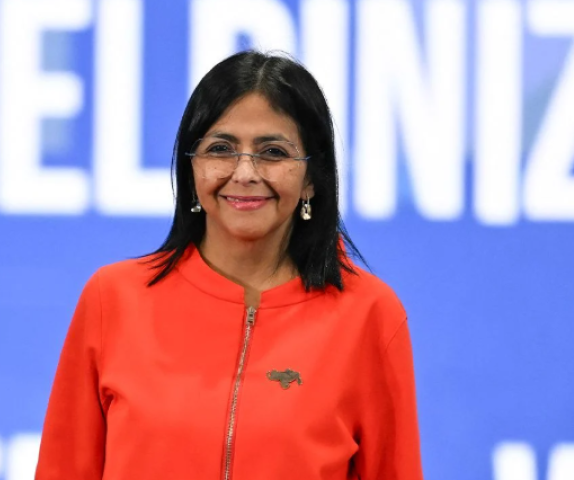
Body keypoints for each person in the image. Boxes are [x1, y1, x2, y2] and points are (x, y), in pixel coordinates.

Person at [35, 51, 424, 480]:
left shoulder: (369, 314)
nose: (244, 173)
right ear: (192, 168)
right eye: (220, 149)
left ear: (311, 178)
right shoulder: (113, 298)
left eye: (272, 152)